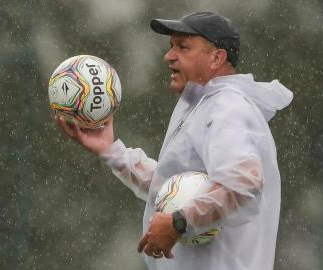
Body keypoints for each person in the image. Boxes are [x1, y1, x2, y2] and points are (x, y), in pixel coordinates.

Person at [56, 11, 293, 270]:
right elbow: (171, 187)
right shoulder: (206, 103)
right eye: (171, 46)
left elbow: (243, 184)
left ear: (217, 57)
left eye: (183, 47)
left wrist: (179, 222)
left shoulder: (227, 108)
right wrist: (113, 152)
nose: (168, 56)